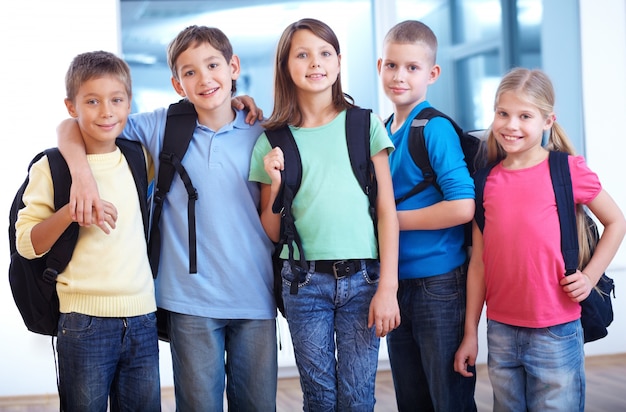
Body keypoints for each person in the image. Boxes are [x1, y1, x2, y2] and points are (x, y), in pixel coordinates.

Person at [56, 26, 277, 411]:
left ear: (233, 66)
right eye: (190, 72)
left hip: (255, 298)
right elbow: (71, 126)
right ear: (177, 84)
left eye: (213, 65)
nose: (204, 78)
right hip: (189, 303)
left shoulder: (265, 129)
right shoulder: (161, 126)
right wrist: (82, 175)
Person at [248, 18, 400, 411]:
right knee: (319, 396)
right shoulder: (271, 139)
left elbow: (386, 211)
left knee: (357, 395)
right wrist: (276, 184)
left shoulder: (363, 124)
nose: (315, 63)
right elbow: (271, 228)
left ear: (337, 62)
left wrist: (389, 288)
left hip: (365, 278)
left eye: (324, 53)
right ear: (286, 66)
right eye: (302, 54)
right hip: (302, 282)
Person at [454, 67, 626, 411]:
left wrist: (590, 277)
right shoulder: (485, 181)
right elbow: (478, 264)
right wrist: (470, 332)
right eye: (503, 113)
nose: (511, 125)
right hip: (500, 331)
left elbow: (616, 221)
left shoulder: (567, 170)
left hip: (557, 331)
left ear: (548, 121)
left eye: (524, 116)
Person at [16, 50, 160, 411]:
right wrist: (69, 212)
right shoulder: (52, 168)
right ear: (71, 106)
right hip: (84, 324)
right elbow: (26, 244)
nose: (106, 111)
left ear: (129, 103)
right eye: (92, 101)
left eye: (116, 100)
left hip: (143, 318)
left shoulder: (140, 158)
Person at [377, 20, 477, 412]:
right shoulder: (384, 129)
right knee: (413, 401)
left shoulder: (433, 128)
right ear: (381, 65)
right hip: (397, 284)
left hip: (439, 285)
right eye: (392, 65)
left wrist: (391, 221)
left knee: (448, 400)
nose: (400, 76)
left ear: (432, 74)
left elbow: (462, 206)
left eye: (412, 68)